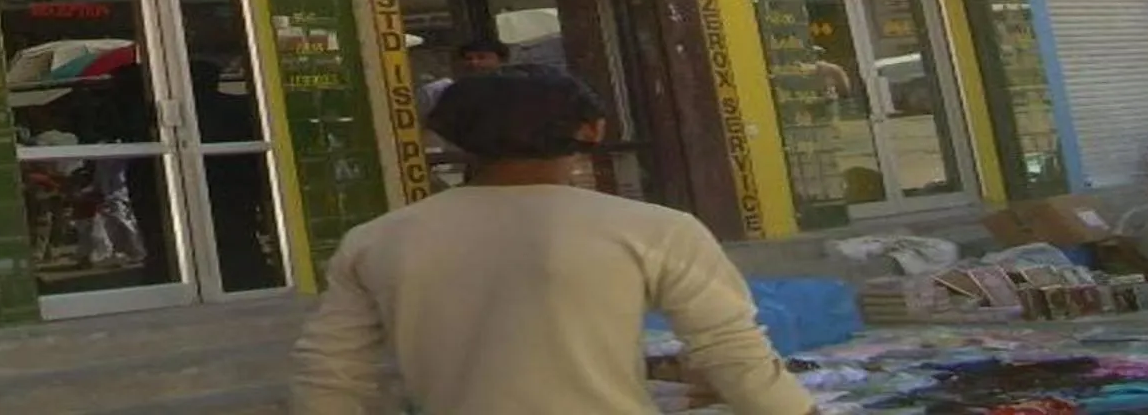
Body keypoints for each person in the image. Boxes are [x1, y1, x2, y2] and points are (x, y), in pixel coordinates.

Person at [292, 70, 815, 415]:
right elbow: (734, 356)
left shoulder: (377, 240)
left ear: (453, 138)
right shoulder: (656, 229)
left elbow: (329, 379)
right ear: (593, 130)